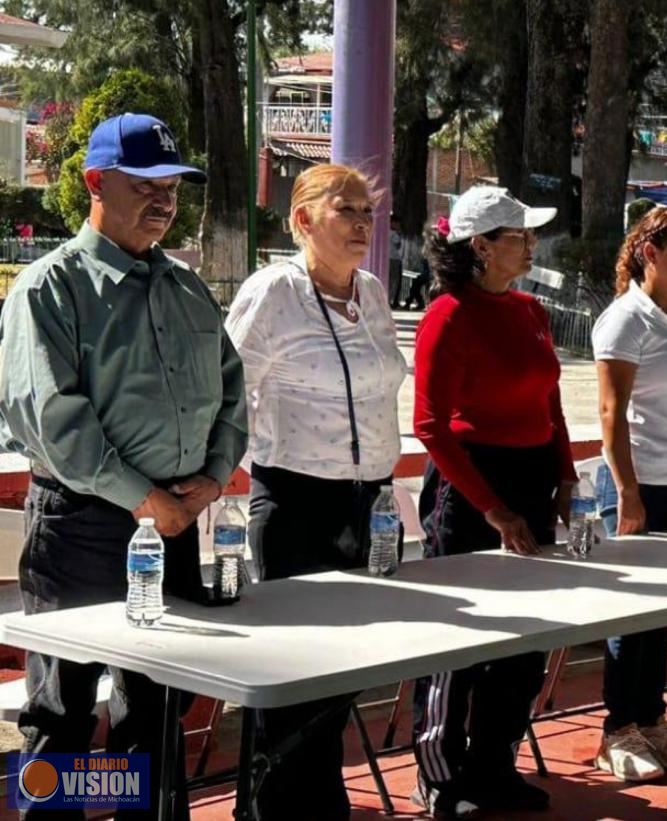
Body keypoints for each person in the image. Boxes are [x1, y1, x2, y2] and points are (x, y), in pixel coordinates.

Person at [0, 113, 247, 820]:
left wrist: (212, 473)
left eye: (172, 187)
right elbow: (50, 419)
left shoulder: (186, 287)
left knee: (155, 707)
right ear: (95, 183)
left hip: (173, 527)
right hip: (84, 527)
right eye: (146, 185)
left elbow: (231, 390)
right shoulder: (51, 289)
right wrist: (144, 496)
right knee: (62, 711)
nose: (164, 201)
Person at [225, 164, 407, 819]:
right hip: (295, 502)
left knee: (347, 665)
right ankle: (274, 807)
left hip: (370, 504)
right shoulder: (273, 292)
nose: (363, 224)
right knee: (291, 672)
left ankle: (321, 799)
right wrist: (230, 468)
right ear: (303, 220)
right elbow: (228, 389)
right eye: (346, 211)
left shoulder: (375, 293)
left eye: (368, 211)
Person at [410, 186, 573, 818]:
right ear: (479, 246)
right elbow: (429, 426)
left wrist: (563, 479)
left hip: (532, 481)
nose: (532, 245)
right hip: (471, 487)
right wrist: (492, 509)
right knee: (461, 643)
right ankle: (441, 775)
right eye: (519, 235)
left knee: (527, 639)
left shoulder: (531, 310)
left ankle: (494, 763)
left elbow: (551, 403)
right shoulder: (448, 314)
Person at [591, 206, 667, 781]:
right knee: (632, 613)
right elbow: (611, 414)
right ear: (649, 254)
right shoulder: (624, 321)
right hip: (642, 486)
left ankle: (653, 718)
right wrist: (628, 493)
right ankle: (619, 729)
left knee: (666, 612)